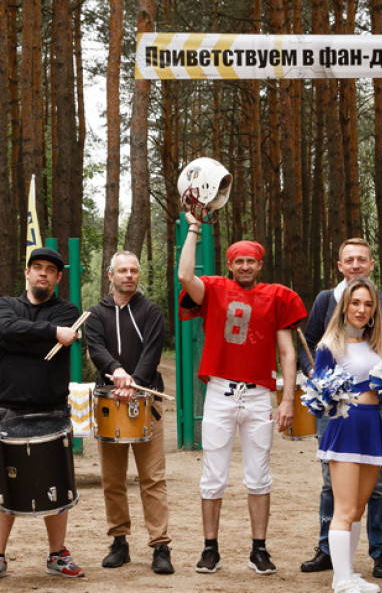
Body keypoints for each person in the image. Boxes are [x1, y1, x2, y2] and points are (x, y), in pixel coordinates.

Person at [177, 214, 307, 576]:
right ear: (230, 264)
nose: (245, 266)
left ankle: (258, 549)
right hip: (220, 391)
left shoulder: (277, 296)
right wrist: (194, 228)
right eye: (239, 261)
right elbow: (185, 276)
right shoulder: (215, 289)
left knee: (259, 475)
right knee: (213, 475)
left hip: (259, 394)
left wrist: (287, 398)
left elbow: (287, 353)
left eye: (251, 261)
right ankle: (210, 548)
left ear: (260, 264)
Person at [301, 237, 382, 579]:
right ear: (340, 265)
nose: (362, 309)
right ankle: (333, 560)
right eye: (349, 259)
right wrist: (316, 378)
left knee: (371, 493)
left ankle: (378, 553)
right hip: (342, 419)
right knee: (335, 489)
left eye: (362, 259)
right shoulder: (326, 305)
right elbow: (312, 344)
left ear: (371, 264)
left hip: (373, 418)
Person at [84, 250, 174, 575]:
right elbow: (97, 349)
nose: (129, 276)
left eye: (133, 271)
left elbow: (152, 350)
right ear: (111, 275)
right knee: (113, 479)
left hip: (146, 401)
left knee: (152, 478)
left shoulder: (151, 311)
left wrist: (135, 381)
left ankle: (160, 546)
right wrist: (117, 371)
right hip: (110, 402)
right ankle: (119, 541)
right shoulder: (96, 314)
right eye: (122, 270)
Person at [0, 247, 84, 578]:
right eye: (37, 267)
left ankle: (57, 555)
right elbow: (6, 328)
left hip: (52, 410)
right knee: (4, 485)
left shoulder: (68, 310)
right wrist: (51, 334)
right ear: (27, 272)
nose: (43, 273)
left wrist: (19, 339)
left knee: (56, 483)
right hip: (9, 410)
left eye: (50, 269)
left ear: (58, 277)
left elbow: (13, 335)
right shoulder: (6, 305)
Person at [314, 277, 382, 593]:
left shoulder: (376, 346)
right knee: (344, 510)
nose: (361, 309)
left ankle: (348, 573)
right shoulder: (329, 346)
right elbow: (319, 394)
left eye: (368, 304)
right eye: (356, 303)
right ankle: (341, 580)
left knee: (358, 508)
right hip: (346, 426)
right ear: (344, 306)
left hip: (372, 426)